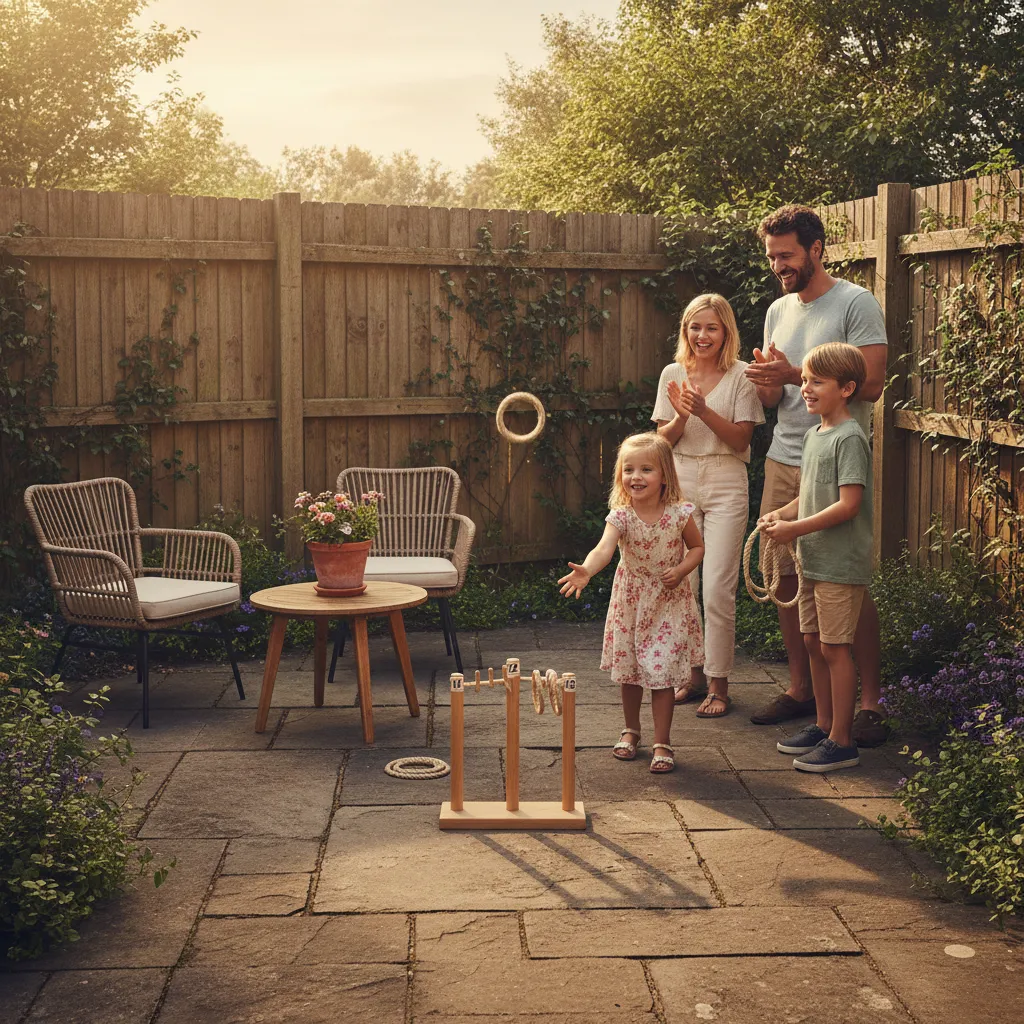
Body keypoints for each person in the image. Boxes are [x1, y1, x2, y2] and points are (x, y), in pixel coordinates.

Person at [744, 204, 889, 747]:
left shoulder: (855, 302)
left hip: (833, 460)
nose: (779, 266)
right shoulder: (779, 309)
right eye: (772, 257)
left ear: (816, 249)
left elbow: (870, 383)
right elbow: (778, 398)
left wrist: (791, 371)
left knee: (843, 581)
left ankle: (869, 702)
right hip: (786, 455)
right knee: (784, 574)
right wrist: (766, 382)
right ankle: (806, 692)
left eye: (786, 255)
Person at [558, 432, 704, 774]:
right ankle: (631, 729)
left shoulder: (679, 514)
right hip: (631, 601)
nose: (635, 477)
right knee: (631, 671)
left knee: (663, 671)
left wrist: (682, 570)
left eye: (646, 470)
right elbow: (604, 549)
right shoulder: (620, 515)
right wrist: (587, 571)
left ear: (665, 475)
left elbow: (697, 548)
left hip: (668, 601)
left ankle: (662, 742)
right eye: (628, 469)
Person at [759, 343, 873, 771]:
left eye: (816, 382)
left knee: (835, 647)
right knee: (812, 641)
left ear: (846, 388)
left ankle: (843, 741)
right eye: (804, 380)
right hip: (813, 559)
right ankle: (824, 725)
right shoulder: (813, 435)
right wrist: (780, 515)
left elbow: (848, 505)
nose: (805, 389)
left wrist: (794, 529)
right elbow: (808, 498)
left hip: (840, 563)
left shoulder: (850, 438)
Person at [652, 293, 765, 718]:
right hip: (679, 481)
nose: (703, 335)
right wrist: (683, 416)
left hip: (725, 481)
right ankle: (694, 676)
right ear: (686, 330)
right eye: (695, 327)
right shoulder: (672, 372)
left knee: (718, 587)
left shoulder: (741, 377)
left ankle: (720, 684)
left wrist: (702, 410)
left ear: (726, 333)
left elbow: (740, 440)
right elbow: (663, 442)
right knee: (685, 585)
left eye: (712, 328)